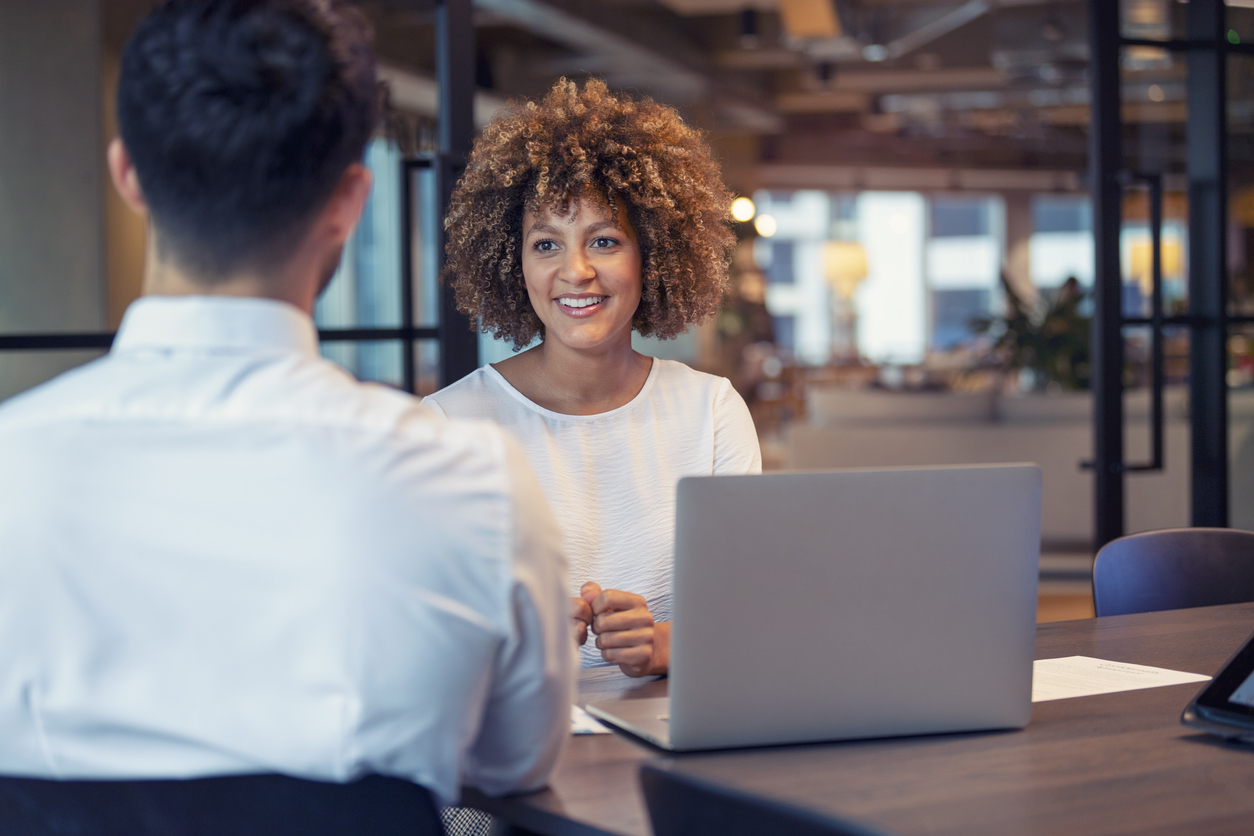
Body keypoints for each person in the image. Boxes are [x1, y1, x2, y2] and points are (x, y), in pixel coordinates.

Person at [0, 0, 572, 810]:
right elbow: (514, 769)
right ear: (349, 199)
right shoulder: (471, 482)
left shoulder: (7, 467)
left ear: (127, 174)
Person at [424, 78, 762, 677]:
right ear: (513, 261)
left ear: (652, 254)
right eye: (546, 244)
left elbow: (751, 609)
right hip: (517, 745)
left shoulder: (710, 412)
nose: (575, 271)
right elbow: (419, 632)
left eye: (604, 241)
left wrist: (662, 646)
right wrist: (517, 633)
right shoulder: (448, 427)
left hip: (674, 731)